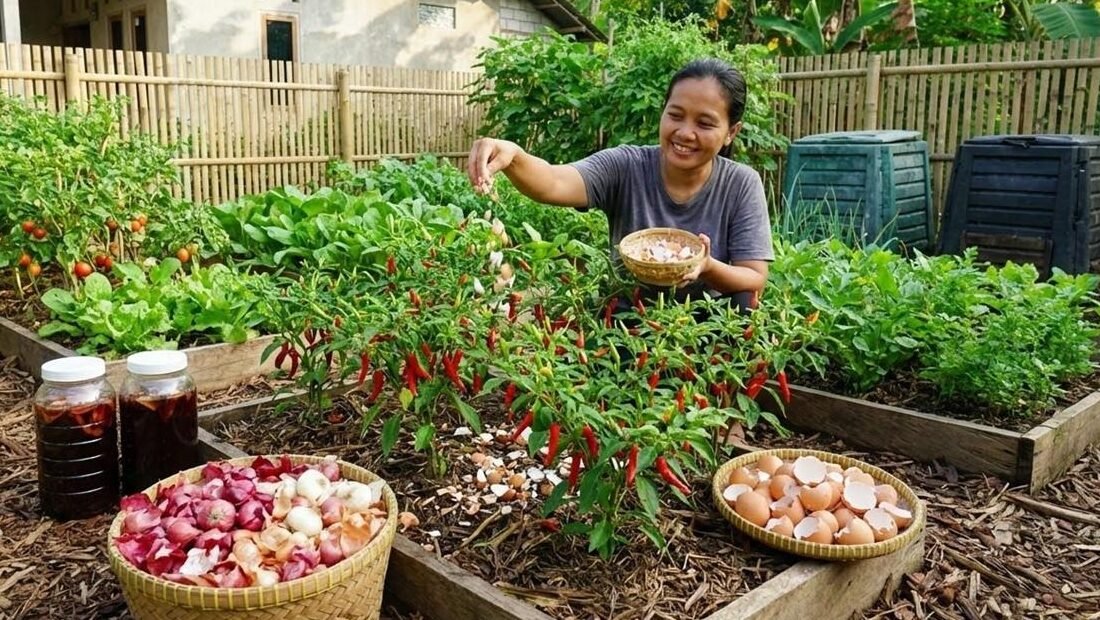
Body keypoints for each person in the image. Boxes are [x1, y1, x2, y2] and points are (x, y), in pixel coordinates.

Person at [466, 57, 772, 311]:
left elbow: (753, 276)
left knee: (746, 302)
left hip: (705, 320)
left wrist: (706, 267)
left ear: (732, 132)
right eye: (675, 115)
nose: (684, 132)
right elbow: (554, 181)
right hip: (629, 317)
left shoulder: (741, 183)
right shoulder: (626, 166)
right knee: (619, 312)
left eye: (704, 124)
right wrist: (515, 156)